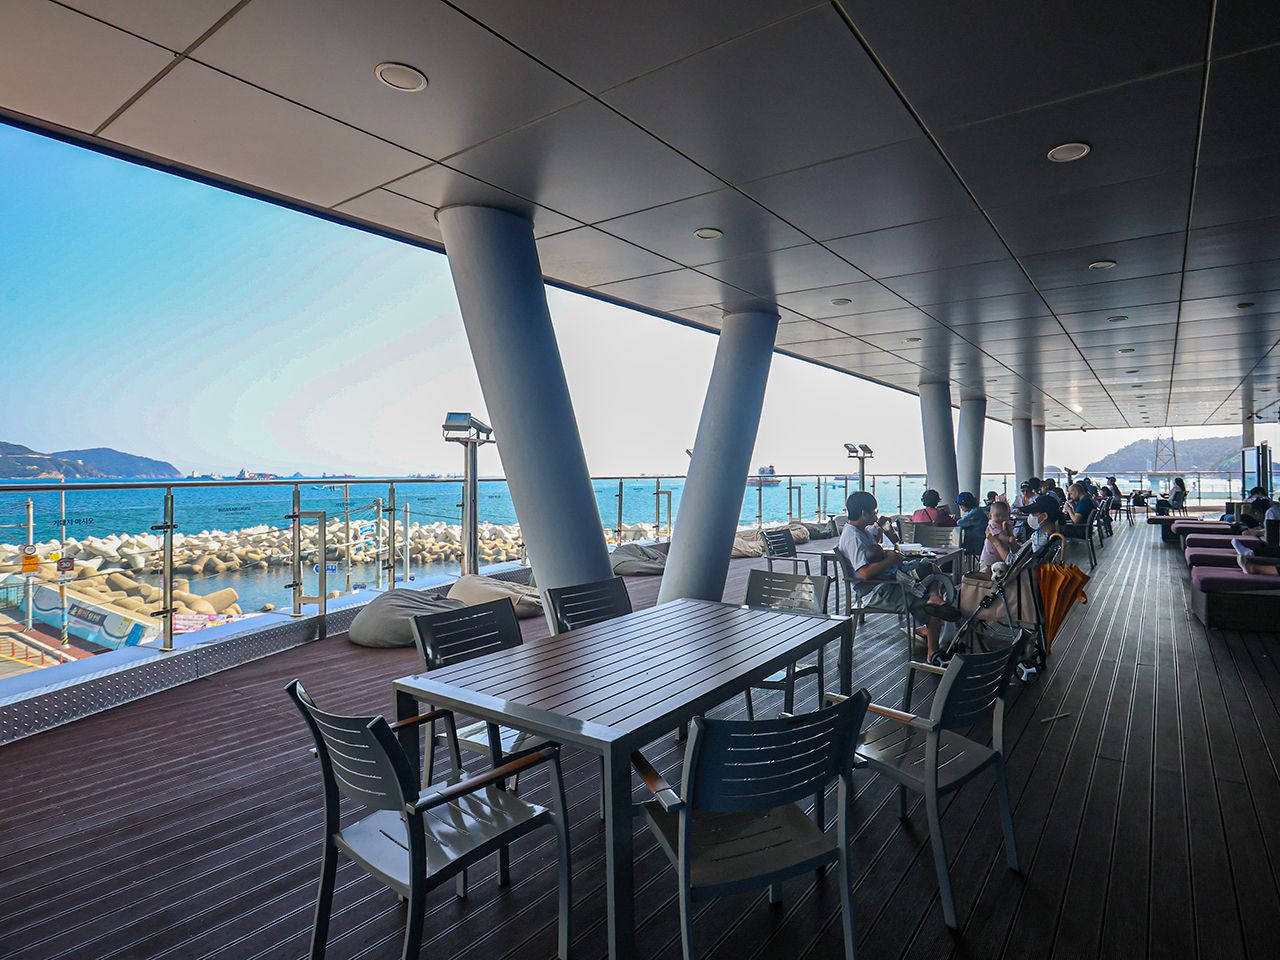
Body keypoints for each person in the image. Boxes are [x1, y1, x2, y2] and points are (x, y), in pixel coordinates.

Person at [838, 491, 956, 661]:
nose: (876, 515)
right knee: (931, 605)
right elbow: (864, 573)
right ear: (864, 513)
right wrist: (892, 559)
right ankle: (933, 653)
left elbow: (878, 540)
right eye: (874, 512)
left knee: (931, 571)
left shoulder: (860, 531)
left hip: (886, 583)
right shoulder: (853, 538)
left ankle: (933, 603)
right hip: (877, 591)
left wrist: (882, 528)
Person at [980, 499, 1015, 570]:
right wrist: (1008, 539)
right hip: (989, 558)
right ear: (990, 516)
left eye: (1004, 516)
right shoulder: (992, 524)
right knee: (988, 571)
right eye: (997, 515)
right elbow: (998, 535)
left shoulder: (1002, 525)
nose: (1001, 518)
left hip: (999, 556)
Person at [954, 491, 988, 556]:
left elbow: (959, 523)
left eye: (961, 505)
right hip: (980, 540)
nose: (960, 507)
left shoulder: (974, 513)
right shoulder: (976, 510)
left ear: (966, 504)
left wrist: (957, 519)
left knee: (955, 548)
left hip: (977, 543)